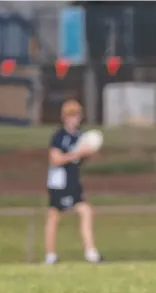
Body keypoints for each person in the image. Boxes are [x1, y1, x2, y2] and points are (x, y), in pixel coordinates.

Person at [44, 99, 103, 264]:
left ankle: (91, 252)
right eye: (70, 116)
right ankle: (50, 255)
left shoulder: (80, 136)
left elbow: (82, 158)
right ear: (64, 117)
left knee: (86, 212)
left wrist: (89, 153)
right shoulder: (59, 137)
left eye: (76, 116)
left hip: (73, 182)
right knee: (54, 216)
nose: (74, 119)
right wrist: (77, 153)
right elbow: (55, 159)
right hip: (59, 183)